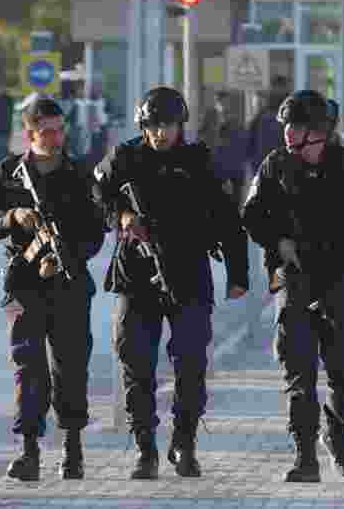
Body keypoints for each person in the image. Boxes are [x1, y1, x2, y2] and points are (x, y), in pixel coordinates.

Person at [92, 87, 249, 480]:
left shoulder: (198, 160)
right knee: (136, 361)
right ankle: (145, 448)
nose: (162, 134)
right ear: (143, 126)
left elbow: (227, 217)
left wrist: (238, 273)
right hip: (136, 274)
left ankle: (185, 443)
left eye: (170, 126)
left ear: (182, 126)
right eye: (155, 126)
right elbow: (96, 194)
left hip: (189, 272)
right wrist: (121, 215)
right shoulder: (125, 157)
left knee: (191, 364)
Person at [242, 90, 344, 483]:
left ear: (322, 134)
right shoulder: (276, 165)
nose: (292, 145)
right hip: (294, 275)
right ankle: (304, 457)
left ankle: (337, 425)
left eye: (299, 136)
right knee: (297, 365)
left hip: (343, 273)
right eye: (287, 135)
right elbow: (251, 215)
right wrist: (278, 241)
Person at [0, 97, 106, 481]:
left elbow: (97, 230)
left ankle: (73, 452)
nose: (55, 137)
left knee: (71, 366)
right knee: (28, 368)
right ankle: (29, 451)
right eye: (46, 131)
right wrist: (13, 217)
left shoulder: (80, 173)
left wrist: (67, 254)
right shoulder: (9, 173)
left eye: (59, 130)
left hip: (68, 282)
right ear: (30, 133)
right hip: (24, 285)